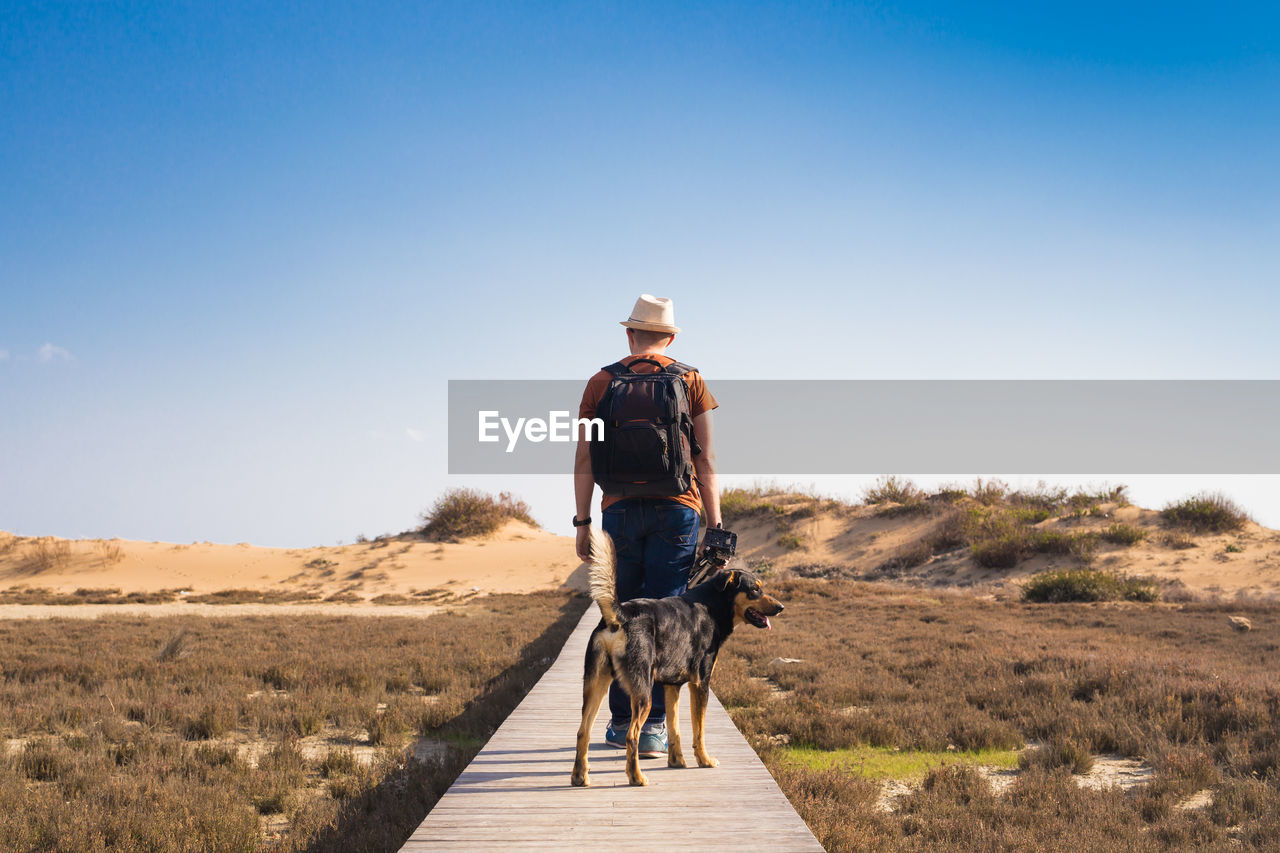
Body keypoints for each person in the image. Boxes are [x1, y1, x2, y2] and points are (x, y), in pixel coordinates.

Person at [573, 294, 721, 757]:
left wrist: (583, 522)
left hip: (618, 508)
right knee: (667, 619)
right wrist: (714, 526)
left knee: (619, 616)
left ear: (629, 333)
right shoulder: (690, 380)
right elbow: (705, 459)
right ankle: (654, 724)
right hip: (678, 510)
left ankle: (621, 722)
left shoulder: (601, 382)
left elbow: (584, 459)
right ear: (671, 337)